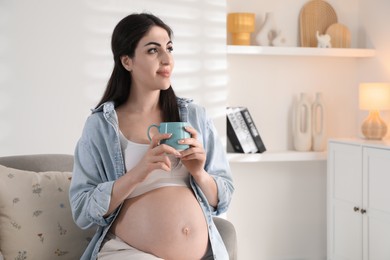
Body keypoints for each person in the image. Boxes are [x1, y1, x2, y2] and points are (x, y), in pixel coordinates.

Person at [69, 12, 234, 260]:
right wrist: (139, 172)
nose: (167, 59)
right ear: (127, 61)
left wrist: (199, 172)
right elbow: (82, 210)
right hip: (129, 252)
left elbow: (223, 199)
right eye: (153, 50)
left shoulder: (195, 117)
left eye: (169, 48)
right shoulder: (101, 126)